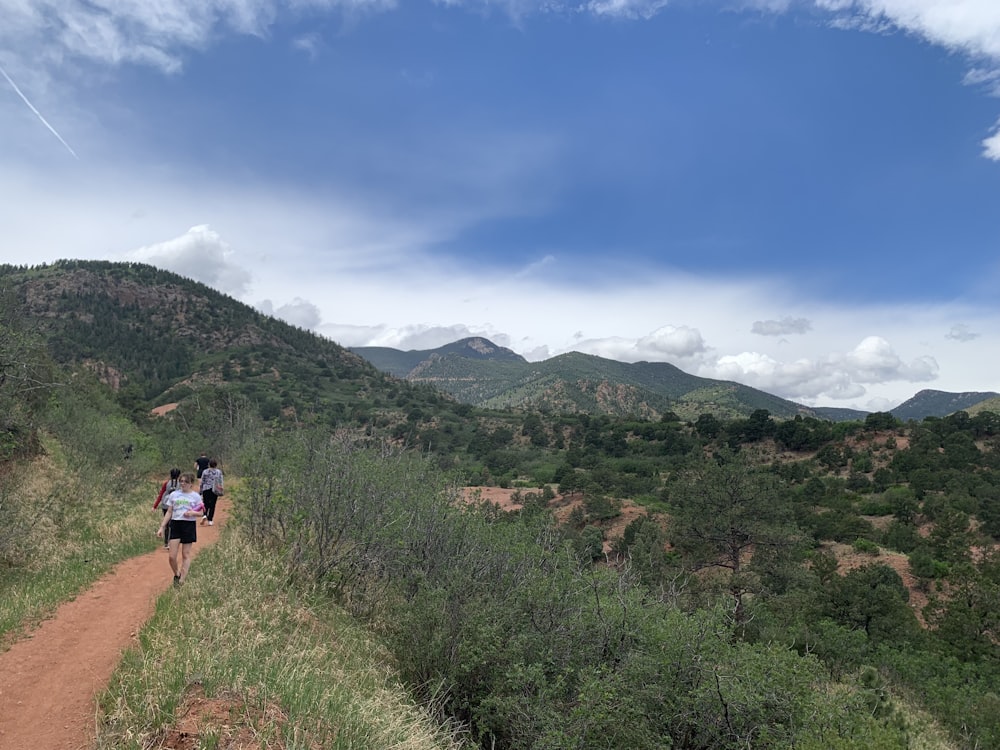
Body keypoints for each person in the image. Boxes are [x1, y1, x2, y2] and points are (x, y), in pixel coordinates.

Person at [156, 472, 205, 587]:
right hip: (176, 524)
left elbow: (202, 512)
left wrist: (193, 513)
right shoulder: (174, 495)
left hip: (188, 525)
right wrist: (162, 527)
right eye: (181, 481)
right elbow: (169, 511)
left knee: (185, 554)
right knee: (172, 556)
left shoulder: (196, 496)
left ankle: (182, 580)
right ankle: (177, 574)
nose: (183, 484)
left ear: (191, 484)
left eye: (185, 482)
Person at [152, 468, 181, 550]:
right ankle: (172, 541)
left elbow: (161, 495)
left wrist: (155, 506)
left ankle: (166, 542)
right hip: (176, 506)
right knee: (174, 524)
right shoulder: (180, 484)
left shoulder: (166, 483)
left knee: (167, 524)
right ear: (179, 475)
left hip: (165, 505)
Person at [199, 459, 224, 526]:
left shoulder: (205, 471)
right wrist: (221, 489)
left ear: (209, 464)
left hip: (206, 489)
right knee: (213, 504)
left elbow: (202, 481)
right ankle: (210, 519)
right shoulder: (219, 472)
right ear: (216, 465)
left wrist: (200, 491)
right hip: (215, 489)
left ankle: (204, 515)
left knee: (205, 503)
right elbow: (220, 481)